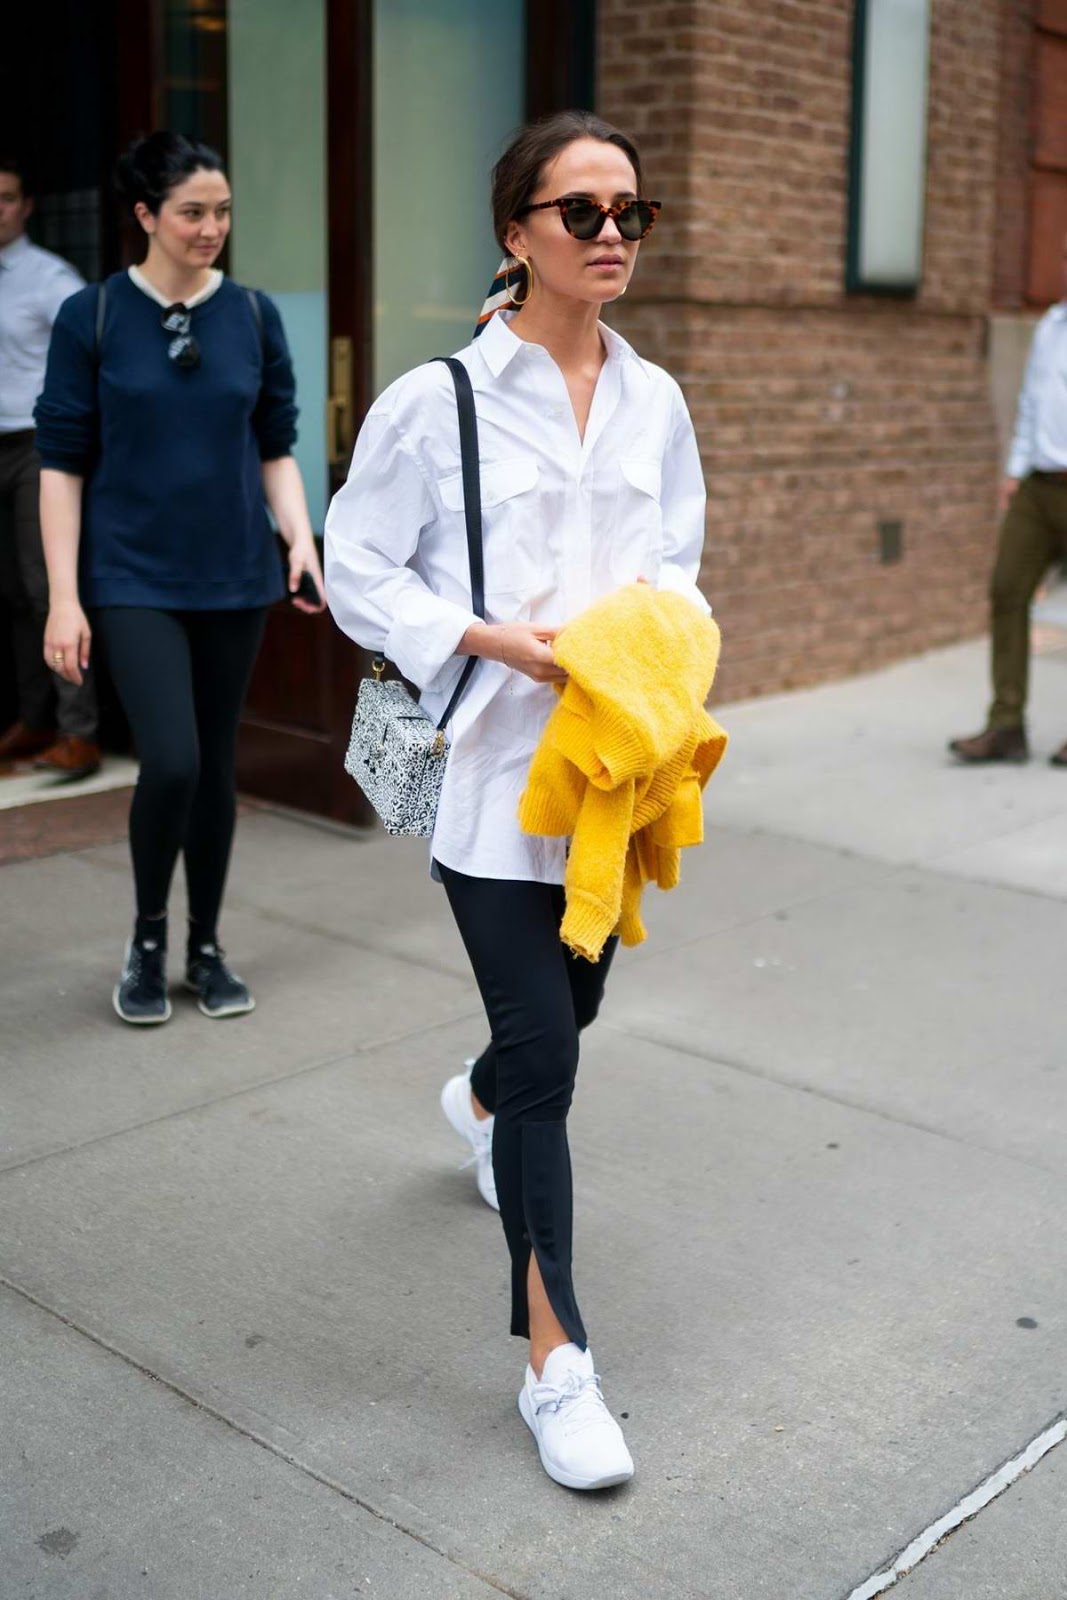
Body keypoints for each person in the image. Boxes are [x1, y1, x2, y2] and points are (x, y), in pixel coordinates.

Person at [325, 110, 710, 1491]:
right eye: (580, 214)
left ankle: (477, 1106)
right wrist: (489, 637)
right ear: (515, 233)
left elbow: (676, 555)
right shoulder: (436, 401)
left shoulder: (655, 397)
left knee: (572, 1007)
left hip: (612, 777)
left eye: (628, 214)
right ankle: (556, 1367)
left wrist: (649, 645)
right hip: (490, 778)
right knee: (551, 1053)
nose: (610, 236)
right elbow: (356, 561)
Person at [34, 131, 325, 1024]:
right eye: (193, 212)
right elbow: (61, 464)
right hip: (132, 576)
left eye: (223, 211)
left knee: (213, 771)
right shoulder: (91, 317)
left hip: (235, 575)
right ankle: (147, 937)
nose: (212, 228)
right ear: (146, 215)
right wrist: (64, 596)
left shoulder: (254, 315)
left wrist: (301, 540)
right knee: (171, 761)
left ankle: (205, 946)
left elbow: (274, 444)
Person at [950, 233, 1067, 766]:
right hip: (1039, 485)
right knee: (1007, 590)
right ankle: (1006, 725)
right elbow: (1031, 401)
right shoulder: (1050, 325)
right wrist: (1016, 470)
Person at [0, 156, 99, 779]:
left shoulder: (49, 278)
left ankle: (78, 731)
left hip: (39, 449)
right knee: (11, 593)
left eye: (6, 198)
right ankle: (32, 720)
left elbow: (95, 351)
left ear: (27, 206)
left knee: (48, 590)